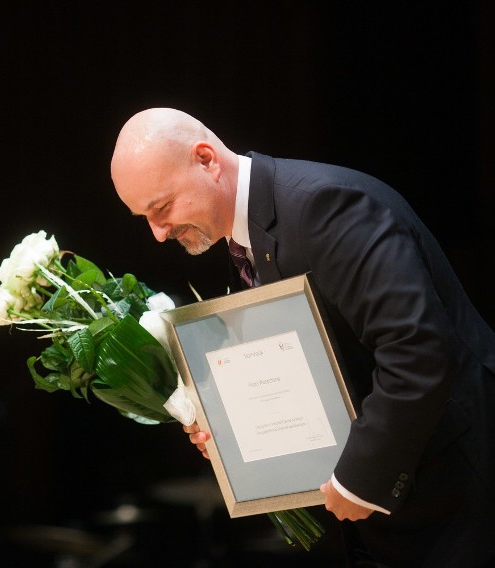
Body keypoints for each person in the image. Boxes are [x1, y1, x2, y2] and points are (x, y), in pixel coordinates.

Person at [109, 107, 495, 567]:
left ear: (207, 159)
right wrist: (228, 426)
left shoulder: (324, 206)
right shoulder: (238, 232)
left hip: (460, 492)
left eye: (162, 207)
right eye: (144, 218)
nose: (158, 233)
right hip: (398, 510)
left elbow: (418, 350)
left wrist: (359, 479)